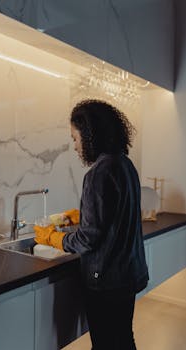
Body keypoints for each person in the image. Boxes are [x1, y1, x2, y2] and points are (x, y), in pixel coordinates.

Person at [34, 99, 149, 350]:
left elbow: (87, 239)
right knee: (122, 338)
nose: (74, 146)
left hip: (106, 278)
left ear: (89, 135)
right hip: (127, 273)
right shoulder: (124, 164)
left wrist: (53, 238)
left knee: (106, 343)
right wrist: (83, 213)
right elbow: (117, 214)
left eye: (75, 138)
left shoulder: (98, 173)